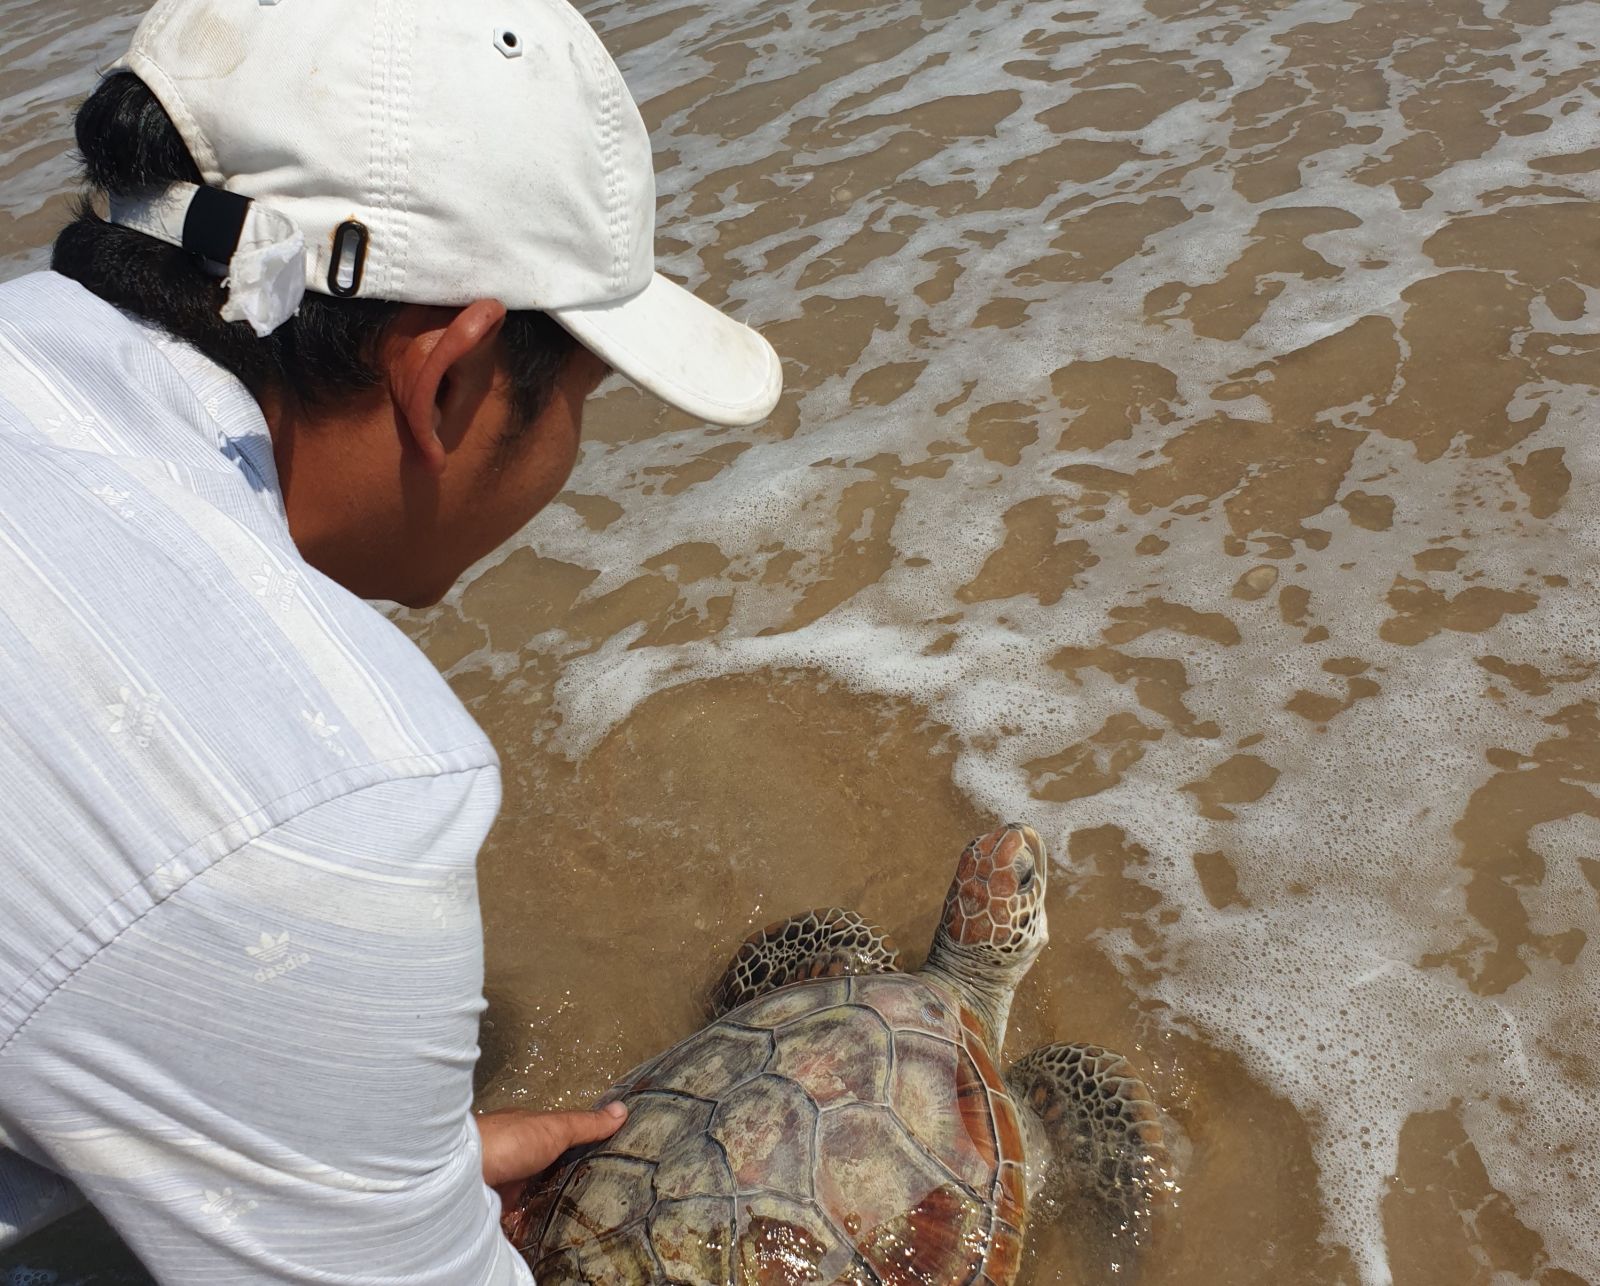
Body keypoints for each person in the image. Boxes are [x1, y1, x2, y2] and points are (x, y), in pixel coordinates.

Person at [0, 0, 780, 1280]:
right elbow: (196, 867)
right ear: (450, 378)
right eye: (582, 394)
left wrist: (356, 1173)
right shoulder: (327, 806)